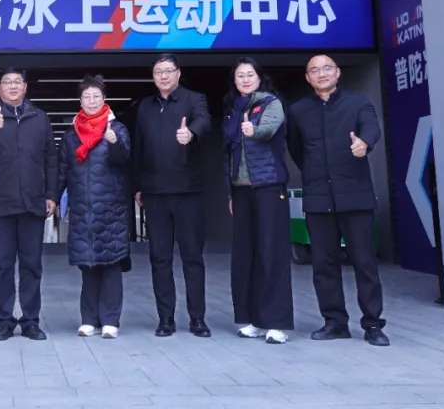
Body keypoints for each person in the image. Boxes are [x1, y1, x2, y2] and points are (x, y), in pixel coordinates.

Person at [287, 54, 389, 347]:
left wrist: (364, 144)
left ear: (338, 73)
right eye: (314, 70)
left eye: (327, 68)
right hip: (319, 198)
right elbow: (296, 149)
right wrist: (314, 173)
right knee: (324, 265)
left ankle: (373, 324)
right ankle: (335, 322)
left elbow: (371, 128)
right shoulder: (298, 111)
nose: (321, 74)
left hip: (355, 197)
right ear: (307, 77)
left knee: (364, 263)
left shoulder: (358, 102)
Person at [0, 68, 58, 341]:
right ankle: (4, 321)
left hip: (33, 203)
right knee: (3, 267)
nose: (12, 86)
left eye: (17, 82)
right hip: (0, 205)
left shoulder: (39, 118)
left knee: (32, 267)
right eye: (7, 82)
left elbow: (51, 159)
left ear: (25, 87)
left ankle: (31, 321)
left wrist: (51, 194)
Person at [132, 53, 213, 338]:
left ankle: (197, 319)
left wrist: (191, 133)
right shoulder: (145, 106)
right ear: (153, 77)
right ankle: (165, 318)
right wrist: (138, 185)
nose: (163, 76)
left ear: (179, 73)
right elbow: (139, 147)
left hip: (188, 191)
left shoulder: (194, 99)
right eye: (158, 72)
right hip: (154, 193)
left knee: (192, 257)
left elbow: (204, 121)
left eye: (168, 70)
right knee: (159, 258)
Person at [222, 58, 294, 345]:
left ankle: (277, 323)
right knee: (246, 256)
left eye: (249, 74)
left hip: (268, 188)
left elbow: (268, 129)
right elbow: (229, 155)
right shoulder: (233, 110)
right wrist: (230, 192)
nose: (245, 79)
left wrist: (255, 130)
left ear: (259, 77)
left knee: (271, 253)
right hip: (241, 191)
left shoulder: (271, 104)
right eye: (240, 75)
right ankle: (253, 319)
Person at [57, 75, 131, 339]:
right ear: (80, 101)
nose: (91, 101)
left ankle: (110, 320)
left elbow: (124, 160)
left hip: (111, 209)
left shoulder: (117, 129)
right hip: (82, 209)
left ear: (104, 99)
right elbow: (62, 172)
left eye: (96, 96)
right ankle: (89, 319)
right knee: (88, 266)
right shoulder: (71, 135)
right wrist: (52, 198)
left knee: (110, 265)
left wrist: (114, 143)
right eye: (86, 97)